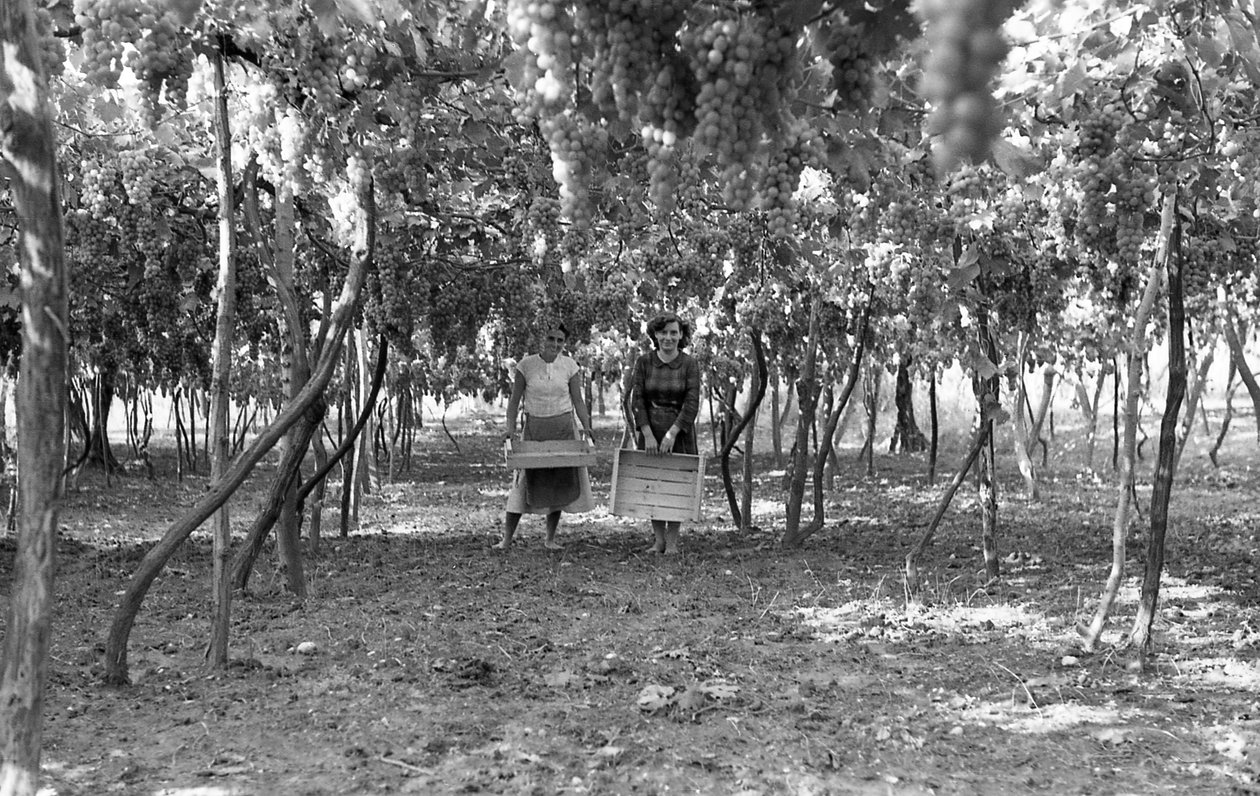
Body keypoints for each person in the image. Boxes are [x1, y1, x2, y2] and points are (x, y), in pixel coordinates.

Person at [496, 322, 595, 551]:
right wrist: (509, 429)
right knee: (522, 483)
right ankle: (506, 539)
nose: (555, 344)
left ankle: (550, 539)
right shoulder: (526, 365)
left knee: (558, 480)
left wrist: (586, 426)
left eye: (560, 340)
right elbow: (514, 402)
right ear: (543, 339)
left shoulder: (570, 366)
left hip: (563, 428)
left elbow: (578, 400)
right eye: (551, 339)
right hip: (534, 429)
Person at [628, 311, 701, 555]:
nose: (668, 337)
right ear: (655, 334)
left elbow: (691, 402)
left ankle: (672, 543)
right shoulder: (644, 362)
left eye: (674, 332)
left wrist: (672, 434)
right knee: (653, 484)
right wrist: (647, 433)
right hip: (651, 428)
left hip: (679, 431)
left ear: (681, 335)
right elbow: (637, 399)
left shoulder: (689, 364)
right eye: (663, 332)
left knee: (675, 484)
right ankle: (658, 540)